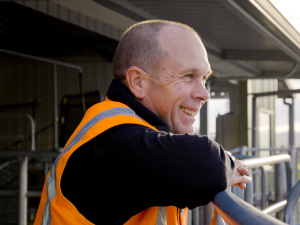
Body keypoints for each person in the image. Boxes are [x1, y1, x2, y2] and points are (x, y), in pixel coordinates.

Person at [34, 20, 251, 225]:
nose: (204, 93)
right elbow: (207, 165)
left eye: (204, 78)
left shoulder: (139, 137)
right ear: (138, 82)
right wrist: (228, 163)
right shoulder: (112, 144)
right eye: (188, 75)